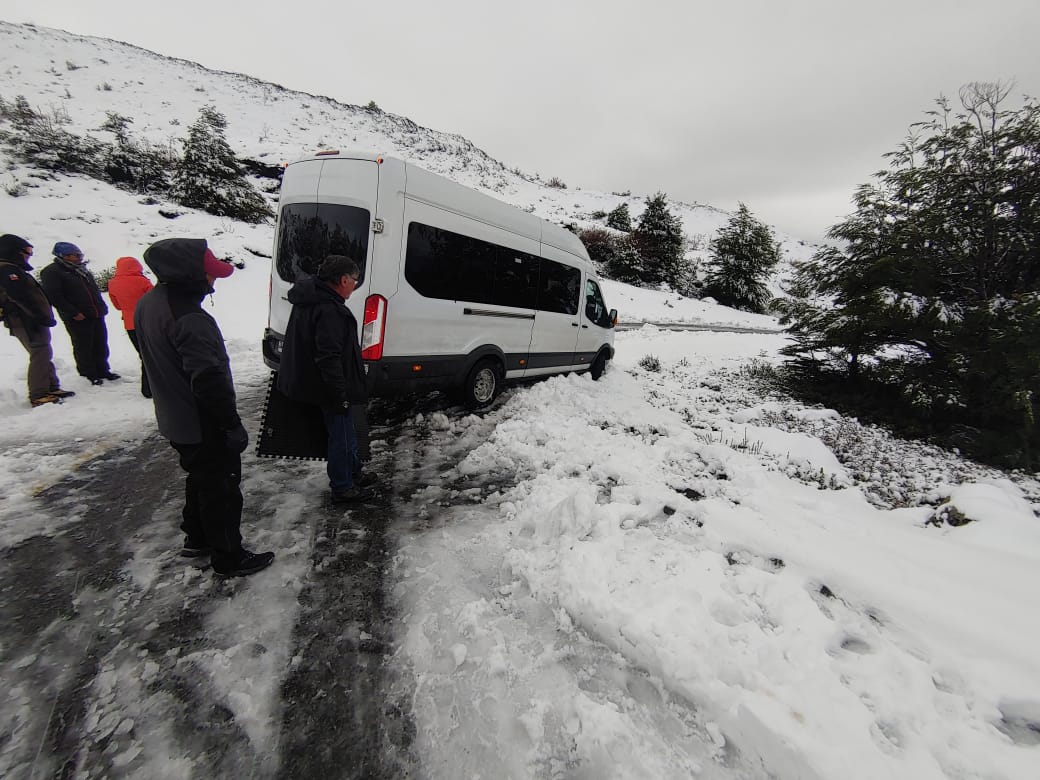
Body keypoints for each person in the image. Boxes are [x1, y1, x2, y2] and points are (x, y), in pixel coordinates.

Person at [136, 237, 274, 578]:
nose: (214, 282)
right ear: (189, 275)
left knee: (200, 478)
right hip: (202, 422)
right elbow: (209, 380)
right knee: (222, 488)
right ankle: (229, 557)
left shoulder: (149, 303)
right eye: (210, 274)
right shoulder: (190, 318)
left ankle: (196, 537)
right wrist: (229, 425)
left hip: (175, 418)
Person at [277, 255, 372, 503]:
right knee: (340, 436)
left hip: (314, 381)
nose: (355, 284)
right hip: (326, 387)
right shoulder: (328, 309)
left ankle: (353, 472)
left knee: (347, 431)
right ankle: (342, 487)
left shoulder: (312, 299)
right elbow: (328, 357)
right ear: (342, 280)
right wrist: (339, 394)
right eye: (354, 280)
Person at [0, 234, 75, 407]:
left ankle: (51, 386)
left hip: (30, 319)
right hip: (25, 320)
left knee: (43, 351)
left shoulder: (13, 268)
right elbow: (19, 296)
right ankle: (39, 393)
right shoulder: (7, 270)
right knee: (39, 352)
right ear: (13, 251)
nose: (29, 255)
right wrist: (38, 316)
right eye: (26, 251)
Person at [39, 241, 119, 386]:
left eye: (79, 254)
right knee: (83, 345)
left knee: (100, 343)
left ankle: (103, 369)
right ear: (64, 256)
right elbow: (54, 295)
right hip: (77, 316)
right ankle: (88, 373)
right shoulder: (52, 272)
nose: (79, 257)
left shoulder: (81, 270)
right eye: (75, 255)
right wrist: (73, 312)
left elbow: (93, 290)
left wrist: (101, 306)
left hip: (95, 312)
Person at [107, 256, 154, 398]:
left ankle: (148, 388)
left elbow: (117, 306)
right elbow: (155, 300)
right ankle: (152, 388)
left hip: (130, 323)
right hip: (148, 321)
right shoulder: (143, 281)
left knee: (143, 355)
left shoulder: (112, 283)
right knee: (153, 354)